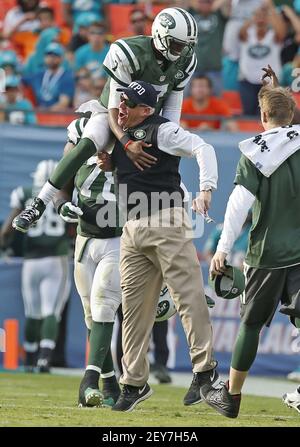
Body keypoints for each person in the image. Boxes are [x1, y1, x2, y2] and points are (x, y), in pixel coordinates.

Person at [12, 7, 199, 230]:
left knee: (169, 171)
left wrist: (166, 141)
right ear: (160, 35)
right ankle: (38, 204)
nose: (182, 50)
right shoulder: (128, 51)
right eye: (177, 44)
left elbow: (172, 110)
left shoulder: (186, 60)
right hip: (113, 112)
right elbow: (115, 109)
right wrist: (126, 143)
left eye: (186, 45)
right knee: (88, 141)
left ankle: (167, 224)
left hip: (148, 118)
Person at [201, 84, 300, 419]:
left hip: (268, 252)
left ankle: (231, 396)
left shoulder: (255, 152)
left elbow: (239, 204)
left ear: (262, 116)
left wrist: (222, 248)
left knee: (251, 325)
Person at [1, 160, 72, 373]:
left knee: (32, 311)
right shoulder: (63, 195)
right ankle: (44, 358)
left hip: (31, 261)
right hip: (56, 259)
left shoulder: (23, 193)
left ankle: (30, 359)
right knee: (52, 311)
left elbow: (6, 232)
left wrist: (5, 247)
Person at [22, 42, 75, 111]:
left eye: (55, 55)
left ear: (61, 58)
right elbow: (20, 82)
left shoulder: (67, 77)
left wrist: (44, 112)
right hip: (38, 115)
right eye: (48, 55)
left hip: (57, 117)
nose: (51, 58)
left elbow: (63, 104)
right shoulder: (38, 75)